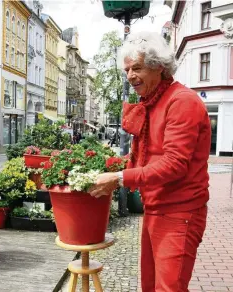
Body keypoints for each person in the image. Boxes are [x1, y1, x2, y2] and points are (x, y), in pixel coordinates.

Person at [89, 31, 211, 291]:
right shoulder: (154, 102)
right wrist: (114, 166)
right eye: (127, 70)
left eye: (137, 68)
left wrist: (120, 178)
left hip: (180, 213)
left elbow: (174, 163)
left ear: (158, 67)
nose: (130, 75)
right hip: (156, 208)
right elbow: (148, 155)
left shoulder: (182, 102)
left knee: (169, 287)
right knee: (151, 285)